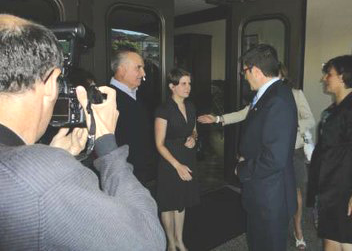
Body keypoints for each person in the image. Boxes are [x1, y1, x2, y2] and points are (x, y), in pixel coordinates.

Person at [0, 14, 166, 250]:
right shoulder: (43, 174)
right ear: (50, 83)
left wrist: (56, 155)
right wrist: (108, 147)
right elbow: (148, 241)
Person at [198, 63, 314, 250]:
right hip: (271, 155)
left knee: (294, 194)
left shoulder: (293, 95)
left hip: (293, 152)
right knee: (274, 202)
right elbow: (244, 114)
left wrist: (288, 127)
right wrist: (219, 119)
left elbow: (310, 120)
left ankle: (298, 230)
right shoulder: (262, 97)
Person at [307, 55, 352, 251]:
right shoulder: (338, 107)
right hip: (332, 182)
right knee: (338, 238)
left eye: (328, 74)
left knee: (338, 237)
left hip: (342, 187)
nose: (324, 78)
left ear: (342, 77)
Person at [235, 44, 298, 251]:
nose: (244, 77)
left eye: (244, 71)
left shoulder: (277, 99)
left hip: (271, 197)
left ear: (255, 70)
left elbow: (275, 158)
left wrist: (242, 168)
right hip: (263, 190)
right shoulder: (271, 93)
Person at [155, 68, 200, 251]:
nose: (188, 87)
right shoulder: (163, 109)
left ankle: (180, 240)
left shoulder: (191, 106)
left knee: (181, 202)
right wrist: (177, 165)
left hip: (187, 157)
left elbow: (194, 130)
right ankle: (171, 243)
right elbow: (159, 144)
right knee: (168, 203)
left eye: (189, 83)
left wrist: (194, 138)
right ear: (172, 86)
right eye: (183, 83)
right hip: (169, 160)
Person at [110, 49, 156, 184]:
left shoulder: (139, 95)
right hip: (123, 176)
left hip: (143, 173)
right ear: (121, 70)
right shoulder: (106, 98)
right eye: (138, 68)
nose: (143, 73)